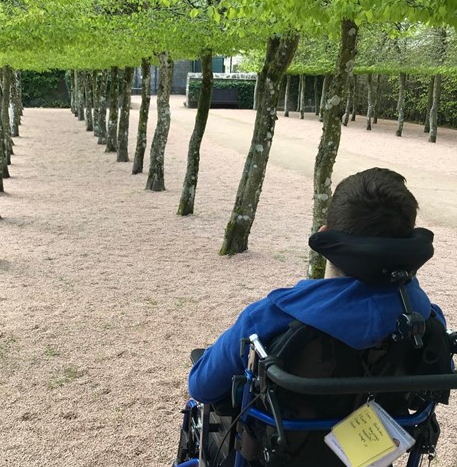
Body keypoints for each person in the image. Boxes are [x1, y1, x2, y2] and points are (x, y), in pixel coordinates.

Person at [188, 167, 446, 409]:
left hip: (288, 450)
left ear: (326, 236)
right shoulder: (424, 318)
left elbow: (201, 387)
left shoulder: (270, 317)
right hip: (379, 444)